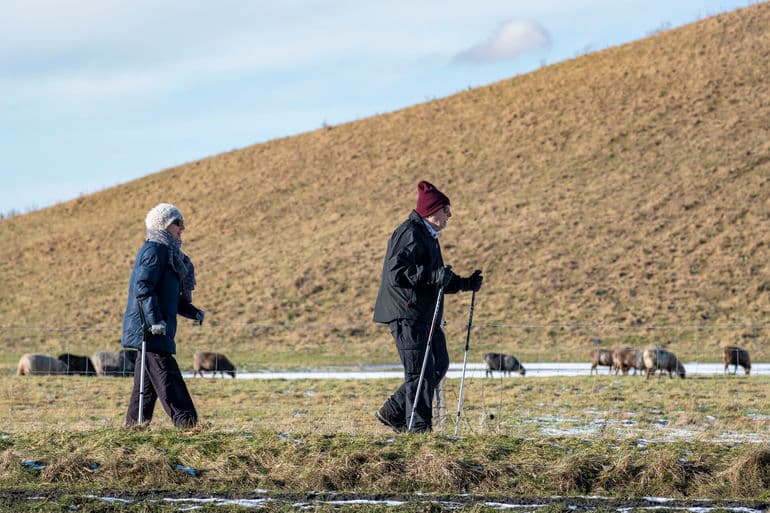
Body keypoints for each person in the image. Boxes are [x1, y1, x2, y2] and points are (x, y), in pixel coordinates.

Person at [373, 181, 483, 433]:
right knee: (419, 372)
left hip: (425, 315)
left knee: (437, 364)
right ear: (431, 211)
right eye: (445, 210)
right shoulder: (410, 233)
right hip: (407, 314)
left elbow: (436, 277)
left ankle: (393, 411)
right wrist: (433, 276)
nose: (450, 215)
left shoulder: (427, 236)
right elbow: (396, 273)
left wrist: (466, 283)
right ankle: (419, 429)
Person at [121, 203, 205, 429]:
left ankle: (134, 427)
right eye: (178, 223)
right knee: (167, 376)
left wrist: (192, 312)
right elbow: (143, 288)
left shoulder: (168, 254)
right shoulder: (154, 251)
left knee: (146, 384)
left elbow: (169, 296)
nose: (182, 228)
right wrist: (155, 320)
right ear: (164, 225)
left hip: (157, 327)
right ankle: (188, 425)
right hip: (149, 330)